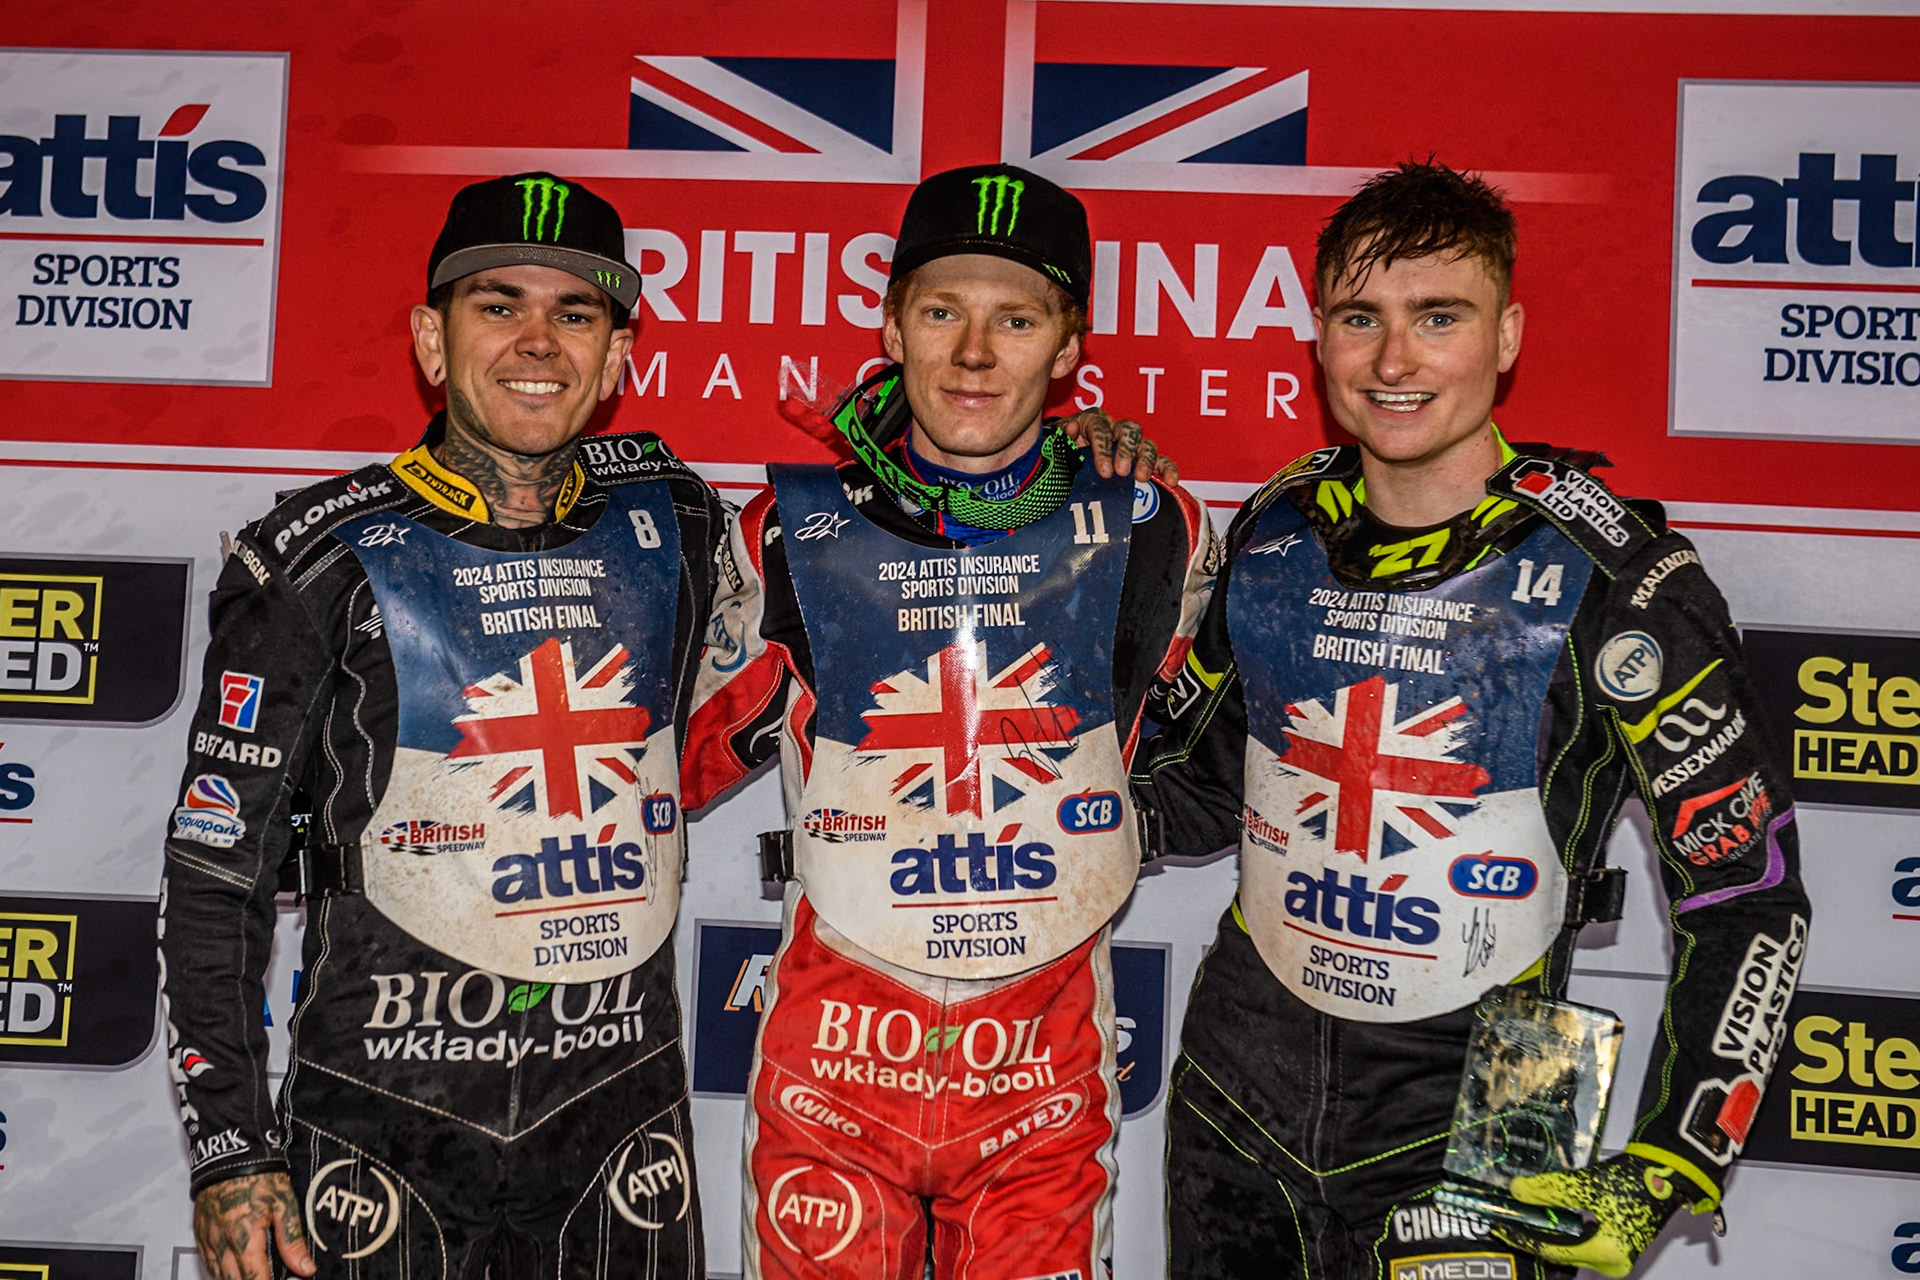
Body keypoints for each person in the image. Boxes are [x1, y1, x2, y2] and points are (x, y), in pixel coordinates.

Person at [1137, 161, 1810, 1280]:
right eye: (1362, 319)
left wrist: (1674, 1157)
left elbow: (1748, 893)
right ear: (1319, 337)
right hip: (1237, 1085)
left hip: (1502, 1094)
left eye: (1436, 318)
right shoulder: (1272, 531)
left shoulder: (1626, 581)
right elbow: (1198, 786)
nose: (1394, 363)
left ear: (1506, 336)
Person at [162, 172, 727, 1280]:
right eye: (498, 304)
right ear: (432, 337)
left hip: (619, 1123)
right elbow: (214, 868)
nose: (539, 341)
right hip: (381, 1118)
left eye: (577, 313)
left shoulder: (678, 518)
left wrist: (1065, 450)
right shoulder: (317, 557)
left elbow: (899, 534)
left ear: (618, 358)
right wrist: (231, 1149)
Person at [681, 163, 1214, 1280]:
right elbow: (662, 757)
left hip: (1038, 1080)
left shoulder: (1153, 526)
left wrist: (1113, 825)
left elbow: (1236, 756)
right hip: (833, 1070)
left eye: (1015, 319)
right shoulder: (788, 526)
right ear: (889, 327)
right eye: (941, 311)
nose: (974, 353)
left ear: (1068, 348)